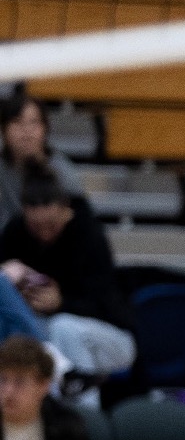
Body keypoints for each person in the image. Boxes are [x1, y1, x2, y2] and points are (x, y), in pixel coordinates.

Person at [0, 167, 135, 382]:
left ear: (65, 211)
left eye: (51, 226)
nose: (44, 233)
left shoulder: (88, 234)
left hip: (106, 332)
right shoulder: (15, 232)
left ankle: (76, 399)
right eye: (36, 227)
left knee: (63, 327)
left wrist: (62, 303)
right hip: (40, 327)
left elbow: (105, 303)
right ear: (25, 214)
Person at [0, 96, 87, 229]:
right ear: (4, 129)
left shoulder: (62, 171)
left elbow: (79, 222)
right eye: (17, 122)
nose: (26, 131)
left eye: (34, 122)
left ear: (45, 128)